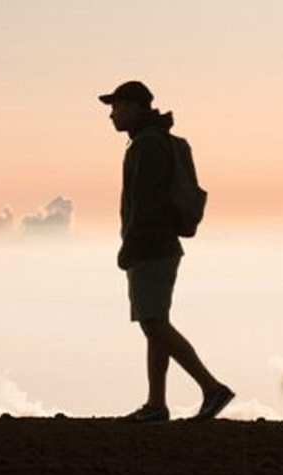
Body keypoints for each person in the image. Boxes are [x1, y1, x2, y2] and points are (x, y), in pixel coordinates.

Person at [99, 81, 233, 422]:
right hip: (161, 245)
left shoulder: (146, 146)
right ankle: (156, 404)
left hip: (151, 246)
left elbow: (147, 203)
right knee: (155, 322)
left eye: (116, 106)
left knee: (153, 322)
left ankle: (211, 388)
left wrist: (129, 246)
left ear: (133, 107)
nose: (112, 114)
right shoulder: (152, 142)